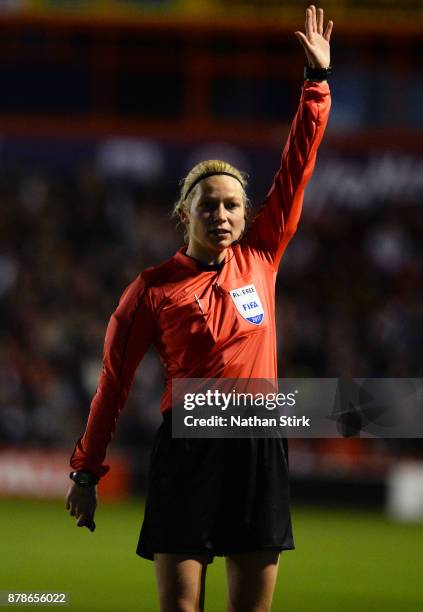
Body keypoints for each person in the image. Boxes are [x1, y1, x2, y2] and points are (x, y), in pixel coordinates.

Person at [66, 5, 333, 611]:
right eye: (209, 205)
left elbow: (297, 164)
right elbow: (113, 384)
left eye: (233, 205)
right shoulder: (152, 289)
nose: (223, 215)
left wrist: (315, 84)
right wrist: (87, 470)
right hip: (188, 446)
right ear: (185, 213)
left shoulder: (262, 254)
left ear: (247, 213)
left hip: (259, 442)